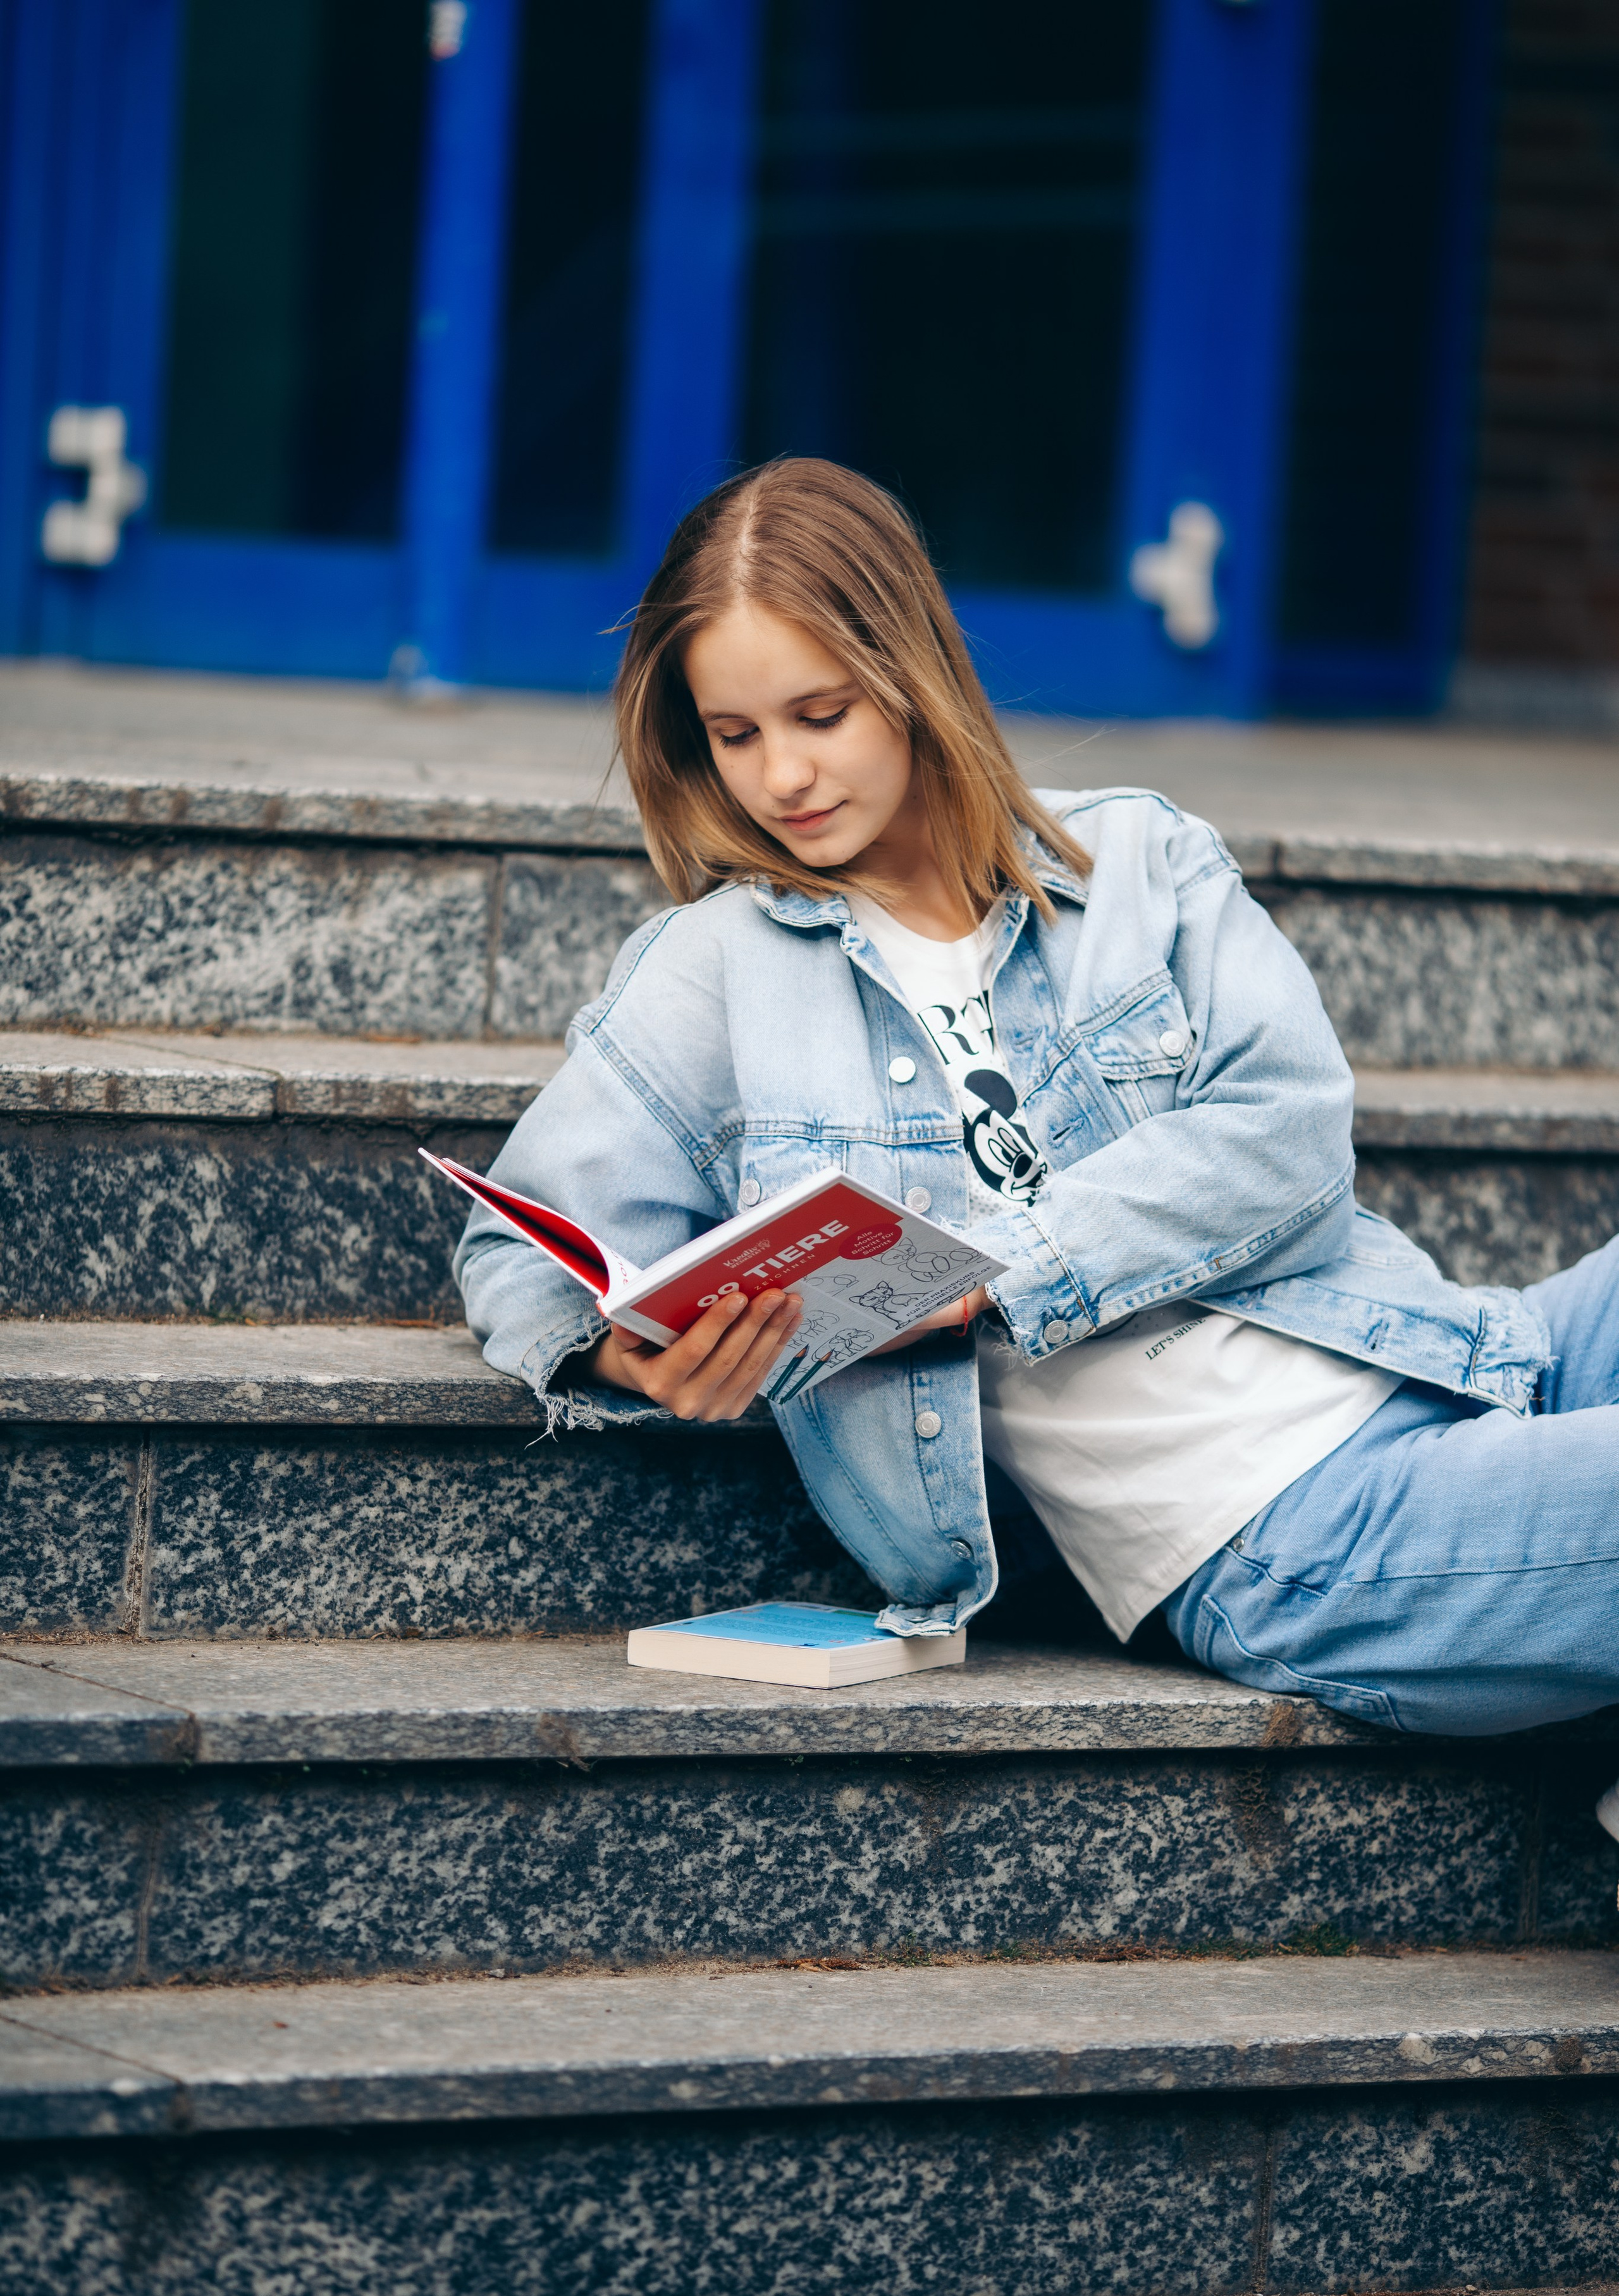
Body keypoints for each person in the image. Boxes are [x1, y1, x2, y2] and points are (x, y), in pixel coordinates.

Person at [455, 457, 1619, 1824]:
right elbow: (522, 1242)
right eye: (732, 733)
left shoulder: (1137, 867)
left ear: (910, 668)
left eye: (817, 714)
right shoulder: (714, 976)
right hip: (1280, 1531)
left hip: (1449, 1360)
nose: (781, 775)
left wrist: (995, 1269)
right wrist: (626, 1352)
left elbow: (1288, 1129)